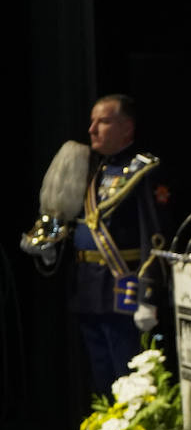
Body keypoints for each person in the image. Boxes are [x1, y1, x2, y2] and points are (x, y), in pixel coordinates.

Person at [23, 95, 163, 396]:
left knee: (129, 378)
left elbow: (153, 236)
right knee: (101, 382)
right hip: (87, 288)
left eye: (103, 121)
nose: (92, 129)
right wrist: (52, 249)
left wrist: (147, 295)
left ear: (126, 128)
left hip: (122, 290)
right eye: (92, 121)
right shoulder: (93, 170)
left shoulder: (143, 171)